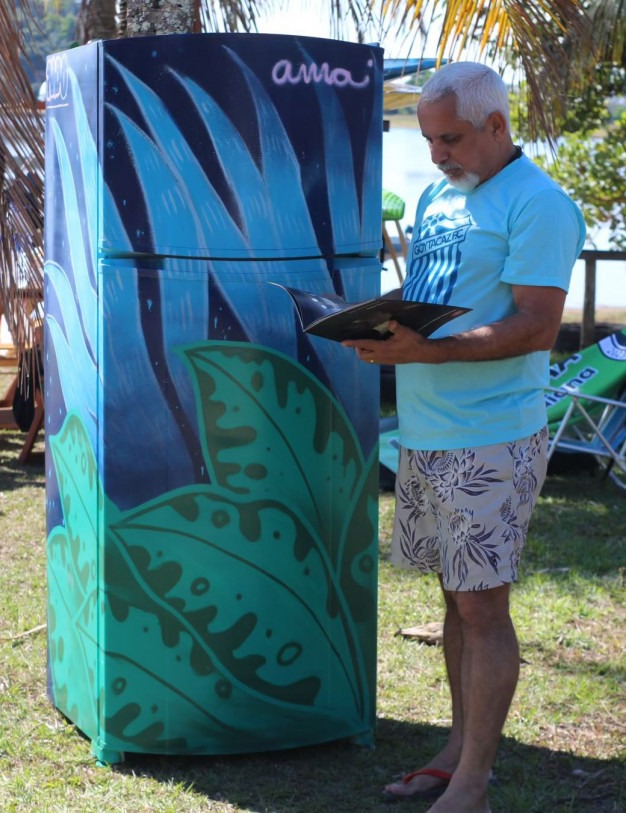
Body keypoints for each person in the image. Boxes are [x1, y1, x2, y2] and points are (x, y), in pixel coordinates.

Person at [343, 61, 586, 813]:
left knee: (484, 610)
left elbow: (537, 327)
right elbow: (441, 301)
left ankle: (475, 783)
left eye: (450, 138)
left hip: (490, 438)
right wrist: (386, 328)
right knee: (456, 600)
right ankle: (455, 752)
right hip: (424, 430)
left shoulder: (541, 205)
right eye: (428, 139)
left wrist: (426, 353)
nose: (438, 153)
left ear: (497, 126)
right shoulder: (435, 194)